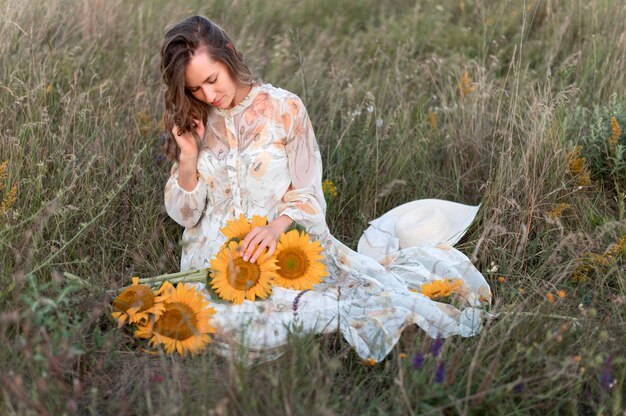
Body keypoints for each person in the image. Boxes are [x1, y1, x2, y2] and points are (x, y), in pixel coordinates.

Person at [161, 15, 491, 363]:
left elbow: (308, 195)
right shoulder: (195, 119)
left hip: (284, 248)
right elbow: (186, 215)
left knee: (337, 303)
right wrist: (187, 156)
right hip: (211, 263)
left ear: (228, 54)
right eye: (195, 88)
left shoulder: (284, 109)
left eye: (212, 80)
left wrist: (275, 228)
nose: (208, 95)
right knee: (215, 321)